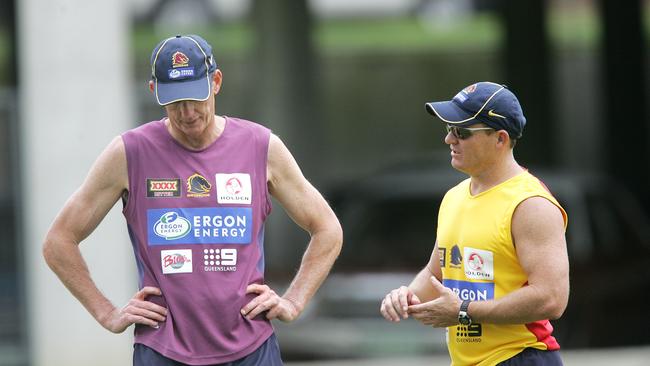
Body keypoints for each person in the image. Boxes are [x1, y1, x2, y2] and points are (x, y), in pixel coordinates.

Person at [42, 34, 343, 366]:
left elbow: (327, 228)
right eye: (174, 101)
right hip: (163, 351)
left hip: (251, 351)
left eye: (194, 98)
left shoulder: (261, 147)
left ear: (216, 82)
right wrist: (107, 313)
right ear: (156, 91)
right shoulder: (129, 153)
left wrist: (294, 301)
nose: (186, 113)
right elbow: (58, 241)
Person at [380, 82, 569, 365]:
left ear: (500, 139)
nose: (449, 140)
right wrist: (407, 296)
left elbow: (551, 299)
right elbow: (438, 273)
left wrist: (464, 310)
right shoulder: (453, 197)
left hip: (520, 358)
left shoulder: (530, 204)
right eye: (449, 130)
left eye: (462, 132)